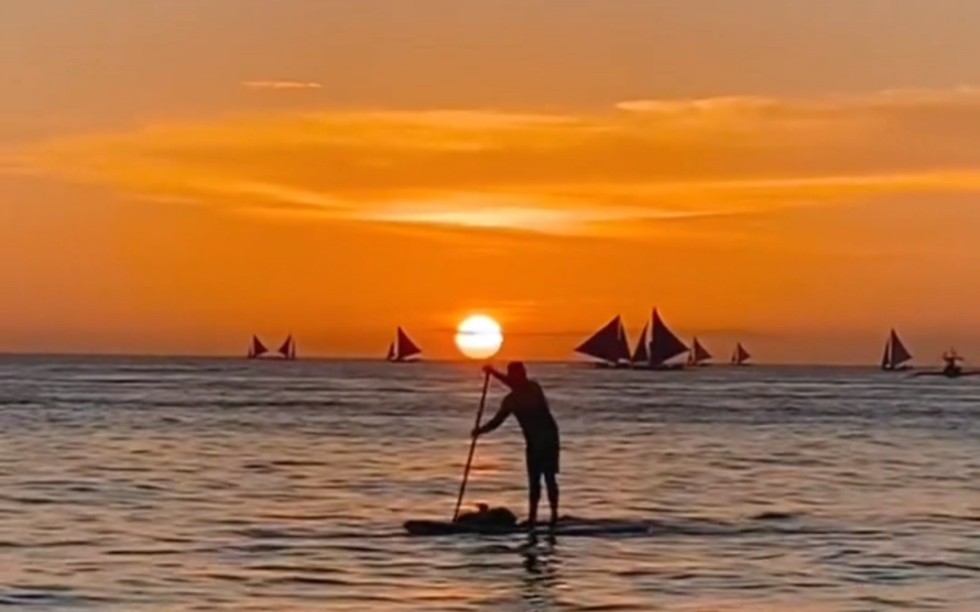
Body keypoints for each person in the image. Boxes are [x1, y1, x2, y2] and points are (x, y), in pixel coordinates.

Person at [472, 362, 560, 530]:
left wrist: (493, 373)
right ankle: (532, 518)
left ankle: (553, 516)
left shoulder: (534, 389)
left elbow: (516, 385)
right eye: (518, 374)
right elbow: (497, 421)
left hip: (549, 439)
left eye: (522, 373)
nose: (522, 377)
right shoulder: (510, 401)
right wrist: (480, 431)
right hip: (533, 443)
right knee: (534, 481)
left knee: (549, 478)